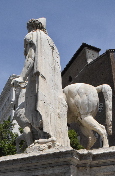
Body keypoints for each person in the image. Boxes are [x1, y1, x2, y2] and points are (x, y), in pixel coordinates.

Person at [12, 18, 70, 148]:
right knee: (50, 107)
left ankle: (45, 137)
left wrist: (22, 77)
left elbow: (31, 58)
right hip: (52, 83)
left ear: (31, 26)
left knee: (33, 108)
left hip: (37, 77)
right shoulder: (51, 42)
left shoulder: (32, 35)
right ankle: (52, 137)